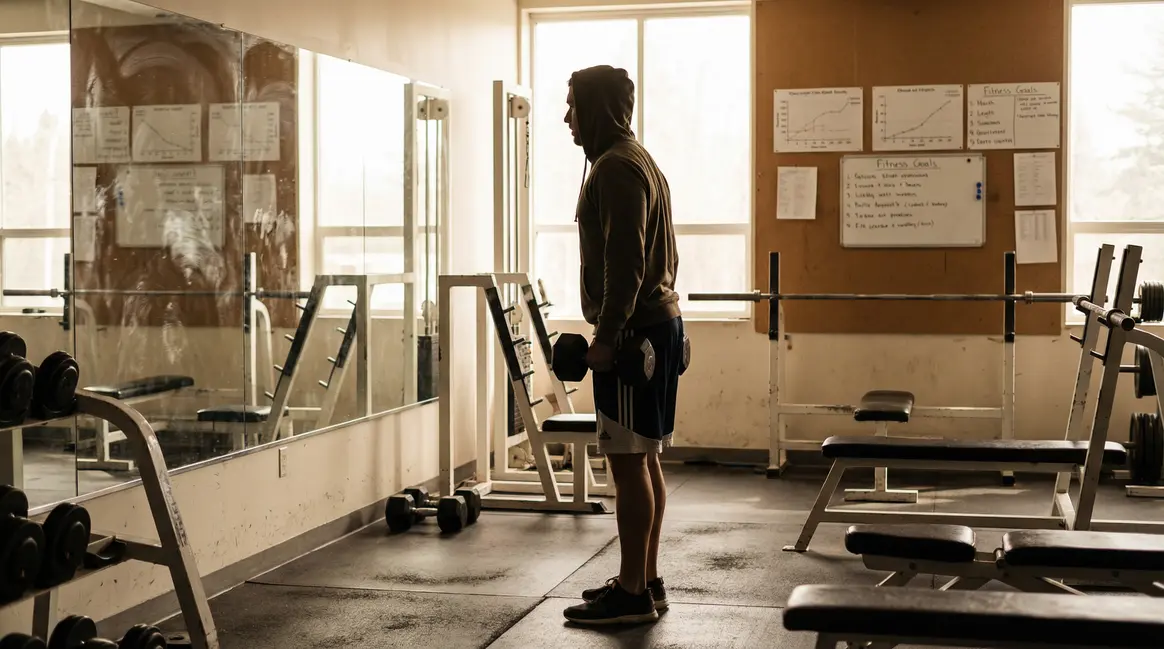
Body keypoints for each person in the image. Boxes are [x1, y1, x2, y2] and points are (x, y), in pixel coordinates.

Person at [559, 64, 684, 626]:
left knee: (628, 463)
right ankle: (646, 577)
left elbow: (626, 264)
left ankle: (633, 592)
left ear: (597, 109)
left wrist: (607, 338)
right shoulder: (640, 160)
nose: (566, 117)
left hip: (636, 333)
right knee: (646, 458)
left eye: (573, 106)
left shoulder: (615, 168)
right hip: (658, 325)